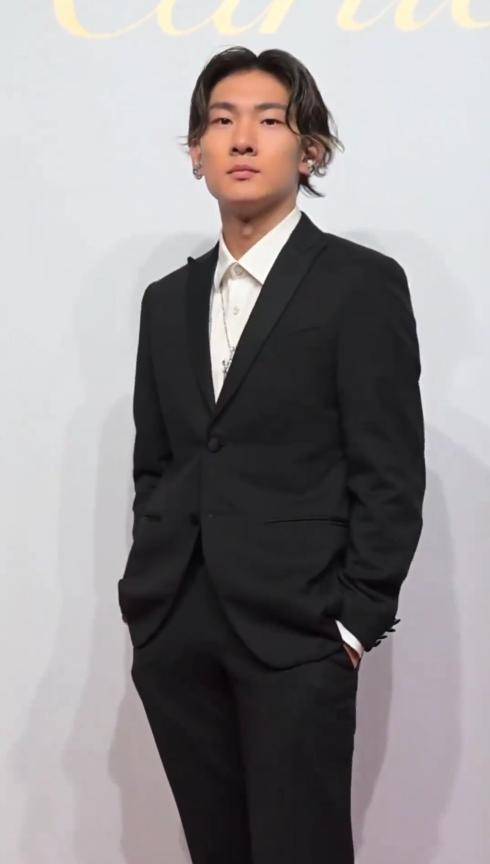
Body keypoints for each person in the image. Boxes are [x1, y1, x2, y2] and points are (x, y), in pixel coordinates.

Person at [118, 46, 426, 864]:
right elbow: (159, 463)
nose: (243, 138)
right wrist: (149, 606)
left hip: (299, 634)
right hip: (179, 627)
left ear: (310, 151)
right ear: (197, 153)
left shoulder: (359, 285)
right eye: (222, 121)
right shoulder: (165, 302)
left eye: (269, 120)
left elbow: (390, 471)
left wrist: (353, 623)